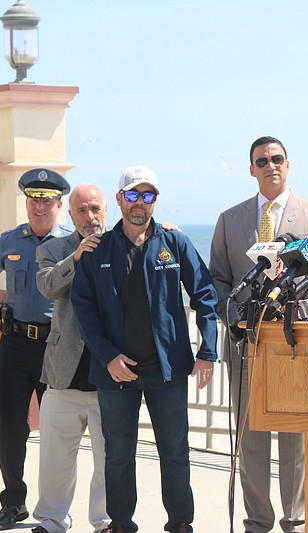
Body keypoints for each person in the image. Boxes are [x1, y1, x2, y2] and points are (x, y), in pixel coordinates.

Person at [70, 165, 218, 533]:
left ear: (155, 201)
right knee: (118, 455)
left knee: (175, 452)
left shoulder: (175, 243)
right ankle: (121, 524)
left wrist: (207, 351)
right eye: (133, 194)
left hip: (166, 371)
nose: (140, 202)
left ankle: (180, 522)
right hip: (116, 371)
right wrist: (108, 356)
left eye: (148, 195)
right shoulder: (97, 249)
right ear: (119, 199)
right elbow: (84, 309)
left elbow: (205, 295)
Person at [209, 136, 308, 533]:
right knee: (250, 436)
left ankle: (295, 520)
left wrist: (295, 319)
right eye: (262, 161)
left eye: (277, 158)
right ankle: (258, 521)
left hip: (294, 344)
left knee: (293, 436)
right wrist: (235, 318)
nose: (271, 166)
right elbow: (216, 278)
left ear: (289, 163)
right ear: (251, 169)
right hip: (245, 343)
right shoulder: (230, 220)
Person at [0, 168, 72, 531]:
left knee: (58, 431)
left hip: (56, 346)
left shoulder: (72, 242)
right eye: (33, 200)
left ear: (59, 205)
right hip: (14, 346)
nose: (39, 207)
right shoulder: (11, 241)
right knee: (11, 428)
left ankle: (54, 510)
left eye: (46, 201)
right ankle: (13, 502)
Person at [31, 184, 111, 533]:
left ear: (107, 209)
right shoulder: (52, 250)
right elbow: (48, 287)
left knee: (110, 460)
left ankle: (106, 521)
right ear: (70, 213)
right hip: (63, 373)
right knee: (54, 459)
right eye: (81, 210)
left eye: (95, 208)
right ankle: (51, 520)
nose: (89, 217)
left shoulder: (122, 244)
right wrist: (76, 256)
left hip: (110, 376)